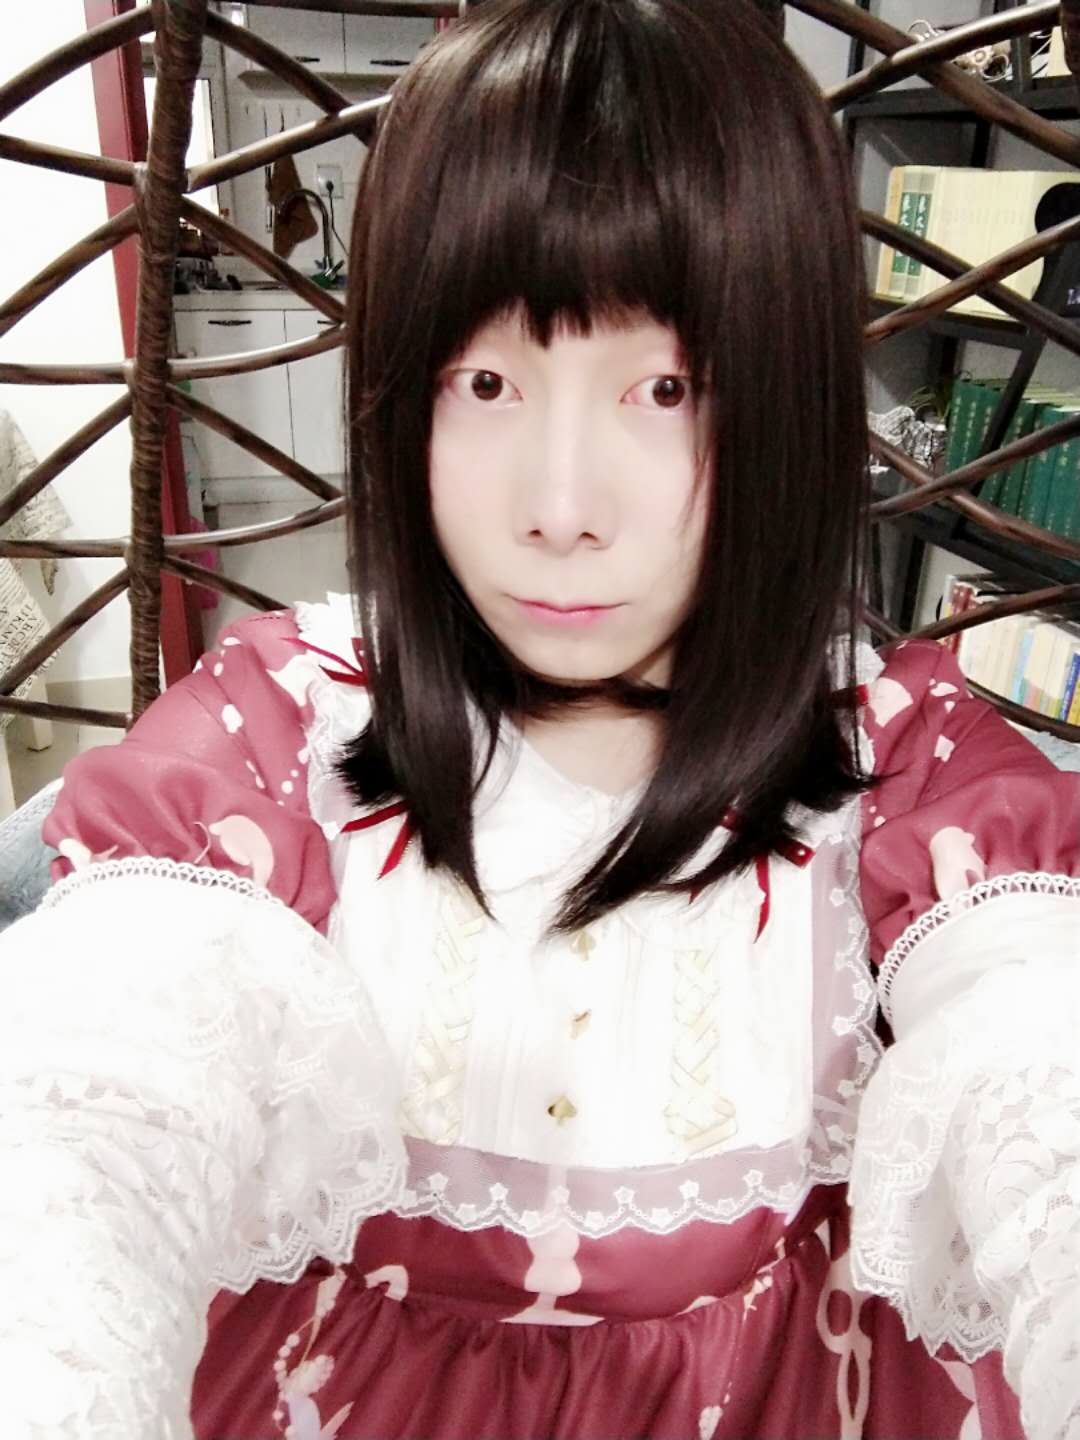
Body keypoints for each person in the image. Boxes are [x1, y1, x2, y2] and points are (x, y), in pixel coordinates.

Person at [2, 1, 1078, 1436]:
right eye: (488, 381)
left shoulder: (906, 762)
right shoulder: (276, 727)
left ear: (787, 399)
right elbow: (90, 1105)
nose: (560, 509)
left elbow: (1039, 1064)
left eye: (666, 386)